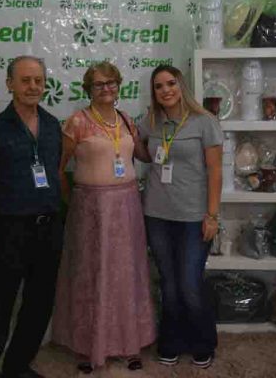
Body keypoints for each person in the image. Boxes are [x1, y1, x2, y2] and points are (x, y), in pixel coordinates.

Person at [51, 61, 156, 374]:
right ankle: (88, 347)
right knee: (90, 275)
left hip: (127, 206)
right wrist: (75, 201)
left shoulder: (126, 120)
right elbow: (59, 168)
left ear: (118, 86)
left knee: (126, 275)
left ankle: (129, 345)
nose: (106, 89)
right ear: (89, 89)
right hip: (91, 209)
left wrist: (163, 127)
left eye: (111, 83)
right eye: (99, 84)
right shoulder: (77, 122)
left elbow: (144, 155)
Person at [0, 56, 63, 378]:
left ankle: (17, 366)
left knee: (39, 304)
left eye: (38, 80)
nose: (33, 87)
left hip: (48, 228)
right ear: (9, 84)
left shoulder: (53, 125)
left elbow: (55, 172)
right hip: (8, 230)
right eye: (25, 80)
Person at [137, 65, 223, 369]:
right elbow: (144, 154)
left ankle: (203, 342)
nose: (166, 90)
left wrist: (212, 215)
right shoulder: (150, 122)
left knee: (189, 283)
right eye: (159, 86)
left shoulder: (204, 121)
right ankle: (171, 341)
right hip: (157, 214)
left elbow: (215, 171)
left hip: (193, 216)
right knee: (169, 283)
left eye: (171, 83)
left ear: (181, 86)